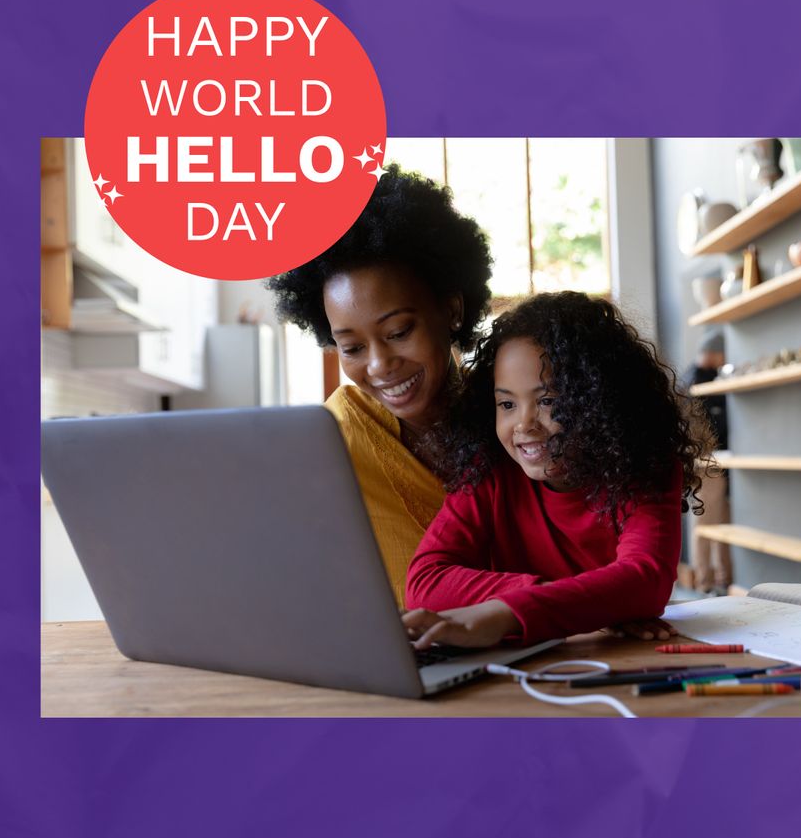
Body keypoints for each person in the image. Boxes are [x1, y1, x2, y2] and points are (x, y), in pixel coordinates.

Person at [402, 292, 714, 649]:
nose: (524, 424)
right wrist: (586, 605)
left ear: (599, 400)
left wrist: (504, 614)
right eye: (506, 403)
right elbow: (424, 585)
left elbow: (646, 580)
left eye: (548, 401)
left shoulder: (644, 466)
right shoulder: (487, 470)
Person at [265, 167, 493, 604]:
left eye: (399, 332)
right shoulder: (326, 444)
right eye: (351, 348)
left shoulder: (511, 415)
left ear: (451, 311)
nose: (380, 365)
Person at [683, 330, 732, 593]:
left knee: (717, 523)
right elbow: (705, 430)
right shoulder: (698, 383)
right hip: (706, 463)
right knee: (705, 525)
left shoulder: (696, 379)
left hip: (710, 462)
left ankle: (721, 579)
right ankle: (705, 583)